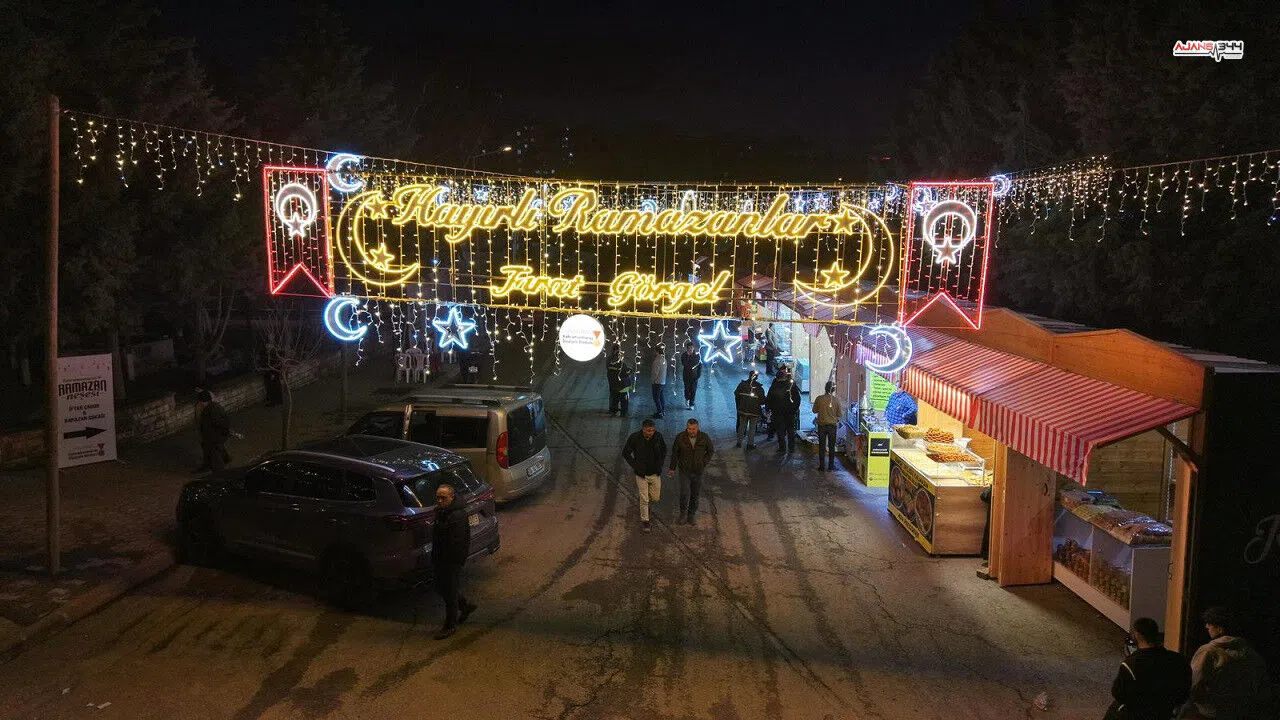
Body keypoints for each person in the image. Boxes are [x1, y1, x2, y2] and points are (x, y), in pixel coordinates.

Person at [1178, 607, 1274, 719]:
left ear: (1220, 628)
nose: (1207, 626)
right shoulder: (1252, 654)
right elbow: (1262, 688)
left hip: (1210, 713)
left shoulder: (1208, 652)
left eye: (1210, 623)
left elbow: (1194, 684)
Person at [1105, 617, 1192, 720]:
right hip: (1164, 712)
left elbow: (1119, 694)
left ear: (1136, 635)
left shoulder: (1131, 665)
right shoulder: (1179, 660)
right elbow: (1184, 691)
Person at [431, 483, 477, 640]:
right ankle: (465, 606)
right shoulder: (442, 512)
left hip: (451, 560)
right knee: (441, 588)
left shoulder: (457, 516)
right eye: (437, 497)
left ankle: (450, 625)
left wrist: (450, 562)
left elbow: (456, 542)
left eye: (443, 498)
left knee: (449, 591)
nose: (439, 500)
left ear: (452, 497)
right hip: (441, 558)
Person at [622, 419, 667, 532]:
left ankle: (646, 506)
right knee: (644, 498)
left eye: (652, 430)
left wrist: (660, 464)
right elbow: (626, 452)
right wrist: (635, 465)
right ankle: (645, 521)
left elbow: (664, 450)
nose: (650, 433)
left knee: (655, 497)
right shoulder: (635, 437)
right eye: (648, 431)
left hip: (655, 473)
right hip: (641, 474)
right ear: (643, 429)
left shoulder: (658, 437)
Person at [668, 418, 713, 526]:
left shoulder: (704, 437)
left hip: (698, 471)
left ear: (697, 428)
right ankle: (683, 514)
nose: (691, 431)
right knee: (684, 493)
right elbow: (675, 453)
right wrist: (672, 468)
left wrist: (703, 462)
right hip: (685, 471)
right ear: (686, 427)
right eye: (689, 428)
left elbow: (710, 451)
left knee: (695, 494)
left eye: (693, 429)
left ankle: (691, 515)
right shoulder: (680, 438)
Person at [195, 390, 232, 473]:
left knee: (216, 459)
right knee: (212, 453)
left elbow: (220, 424)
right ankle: (212, 466)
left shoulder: (212, 410)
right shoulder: (211, 408)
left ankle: (219, 476)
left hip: (214, 438)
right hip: (211, 437)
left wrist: (222, 435)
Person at [767, 368, 801, 455]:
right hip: (790, 413)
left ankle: (782, 449)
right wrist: (794, 409)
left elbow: (769, 400)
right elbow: (797, 399)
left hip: (778, 413)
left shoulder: (774, 387)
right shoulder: (791, 386)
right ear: (785, 377)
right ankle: (791, 448)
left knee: (780, 431)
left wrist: (769, 410)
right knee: (791, 430)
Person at [812, 381, 842, 471]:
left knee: (822, 446)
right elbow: (839, 414)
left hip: (821, 426)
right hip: (832, 427)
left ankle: (822, 466)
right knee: (831, 446)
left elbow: (814, 410)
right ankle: (831, 466)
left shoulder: (819, 399)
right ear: (833, 390)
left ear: (825, 388)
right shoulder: (836, 400)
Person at [734, 370, 766, 449]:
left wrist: (740, 403)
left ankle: (739, 442)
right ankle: (750, 444)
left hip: (743, 410)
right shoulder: (759, 388)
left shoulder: (742, 385)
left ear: (749, 376)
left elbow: (736, 394)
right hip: (754, 412)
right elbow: (762, 401)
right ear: (757, 377)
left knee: (742, 426)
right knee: (752, 428)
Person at [607, 349, 631, 416]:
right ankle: (623, 413)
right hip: (622, 386)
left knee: (615, 399)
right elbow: (625, 374)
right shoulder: (622, 365)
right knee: (624, 400)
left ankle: (614, 411)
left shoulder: (611, 365)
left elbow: (609, 374)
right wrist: (629, 371)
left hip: (614, 386)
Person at [680, 341, 702, 410]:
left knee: (693, 390)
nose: (690, 349)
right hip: (686, 376)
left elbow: (699, 366)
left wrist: (698, 375)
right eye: (689, 348)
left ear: (693, 348)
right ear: (687, 348)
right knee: (687, 389)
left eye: (691, 348)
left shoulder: (697, 356)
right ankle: (687, 399)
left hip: (694, 377)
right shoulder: (684, 355)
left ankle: (691, 404)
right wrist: (688, 356)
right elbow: (684, 364)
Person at [650, 344, 667, 419]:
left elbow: (655, 373)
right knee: (661, 397)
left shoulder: (657, 360)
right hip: (663, 381)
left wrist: (653, 381)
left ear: (656, 351)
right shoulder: (664, 359)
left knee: (656, 398)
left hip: (657, 382)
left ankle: (660, 412)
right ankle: (662, 410)